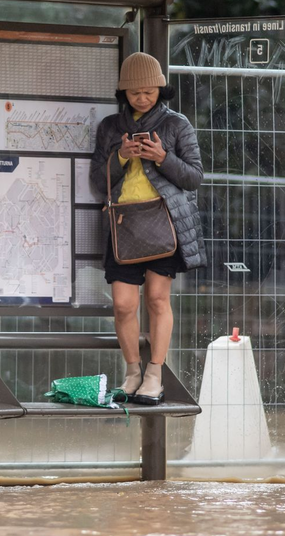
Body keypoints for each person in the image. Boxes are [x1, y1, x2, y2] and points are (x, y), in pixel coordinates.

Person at [90, 52, 204, 405]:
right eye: (135, 92)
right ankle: (132, 372)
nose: (143, 98)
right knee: (123, 305)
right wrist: (122, 156)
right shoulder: (111, 127)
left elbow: (194, 176)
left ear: (160, 89)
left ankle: (155, 373)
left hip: (163, 221)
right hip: (123, 223)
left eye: (149, 92)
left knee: (157, 298)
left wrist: (162, 157)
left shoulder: (176, 124)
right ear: (124, 93)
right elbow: (98, 181)